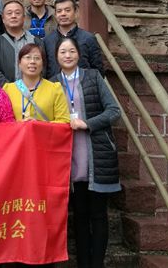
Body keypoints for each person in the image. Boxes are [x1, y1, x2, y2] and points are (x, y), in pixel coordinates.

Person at [52, 37, 121, 268]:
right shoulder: (52, 84)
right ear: (56, 57)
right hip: (69, 159)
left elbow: (114, 111)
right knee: (79, 216)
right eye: (63, 52)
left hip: (97, 155)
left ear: (79, 55)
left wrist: (88, 123)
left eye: (72, 51)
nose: (68, 55)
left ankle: (97, 264)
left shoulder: (93, 77)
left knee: (98, 215)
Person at [2, 43, 70, 123]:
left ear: (43, 64)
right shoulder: (8, 90)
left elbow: (64, 121)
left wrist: (39, 125)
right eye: (28, 57)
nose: (32, 61)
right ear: (19, 63)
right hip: (18, 131)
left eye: (37, 58)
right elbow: (3, 123)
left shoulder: (55, 89)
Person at [43, 0, 104, 78]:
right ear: (55, 14)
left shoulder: (88, 38)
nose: (63, 14)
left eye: (67, 10)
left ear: (75, 12)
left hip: (82, 84)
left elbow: (98, 70)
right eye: (59, 11)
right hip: (55, 85)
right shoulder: (47, 40)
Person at [0, 0, 40, 86]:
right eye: (9, 13)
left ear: (24, 18)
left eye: (17, 13)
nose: (13, 16)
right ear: (3, 19)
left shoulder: (36, 42)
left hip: (33, 89)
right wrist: (10, 88)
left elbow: (42, 68)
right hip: (4, 91)